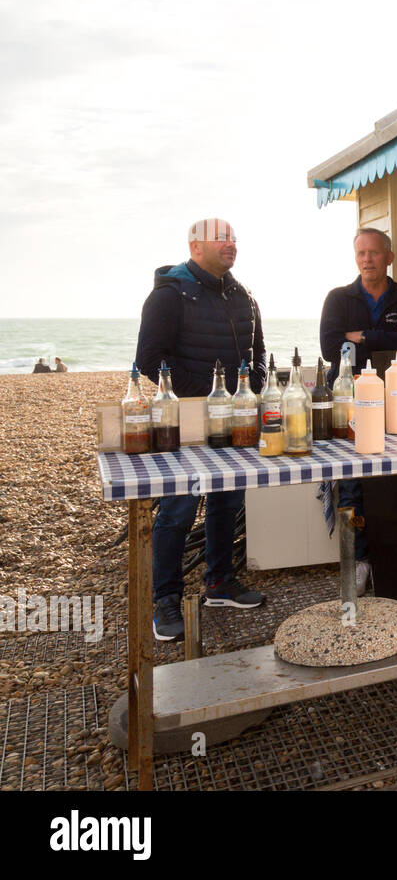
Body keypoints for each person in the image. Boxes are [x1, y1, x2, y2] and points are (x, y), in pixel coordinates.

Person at [135, 218, 268, 641]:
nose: (231, 244)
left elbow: (259, 352)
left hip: (236, 422)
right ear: (196, 246)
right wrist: (208, 397)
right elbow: (151, 359)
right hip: (187, 421)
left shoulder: (244, 294)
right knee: (177, 510)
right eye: (221, 239)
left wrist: (252, 388)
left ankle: (219, 584)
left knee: (228, 499)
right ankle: (166, 601)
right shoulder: (169, 295)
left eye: (234, 238)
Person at [320, 228, 397, 590]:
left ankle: (391, 560)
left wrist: (361, 335)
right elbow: (329, 347)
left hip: (395, 400)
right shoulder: (338, 299)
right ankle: (357, 561)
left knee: (396, 480)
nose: (367, 259)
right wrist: (386, 338)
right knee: (351, 483)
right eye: (361, 253)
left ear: (389, 257)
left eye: (374, 253)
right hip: (350, 402)